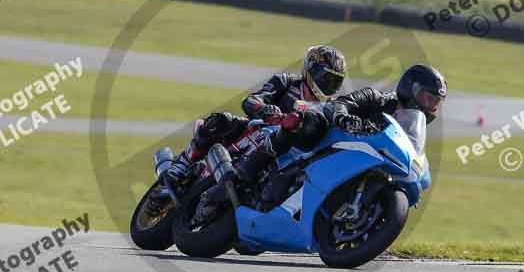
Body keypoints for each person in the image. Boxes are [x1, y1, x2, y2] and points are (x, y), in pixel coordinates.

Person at [165, 45, 347, 189]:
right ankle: (182, 164)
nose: (328, 84)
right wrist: (265, 109)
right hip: (258, 129)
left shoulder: (329, 108)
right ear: (311, 70)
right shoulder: (287, 81)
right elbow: (251, 100)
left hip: (287, 152)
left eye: (334, 81)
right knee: (222, 120)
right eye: (325, 77)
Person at [237, 63, 447, 185]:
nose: (430, 107)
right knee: (308, 122)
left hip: (360, 162)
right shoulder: (376, 98)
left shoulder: (411, 127)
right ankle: (250, 167)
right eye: (427, 98)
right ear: (410, 89)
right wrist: (343, 117)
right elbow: (342, 103)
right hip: (330, 142)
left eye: (436, 103)